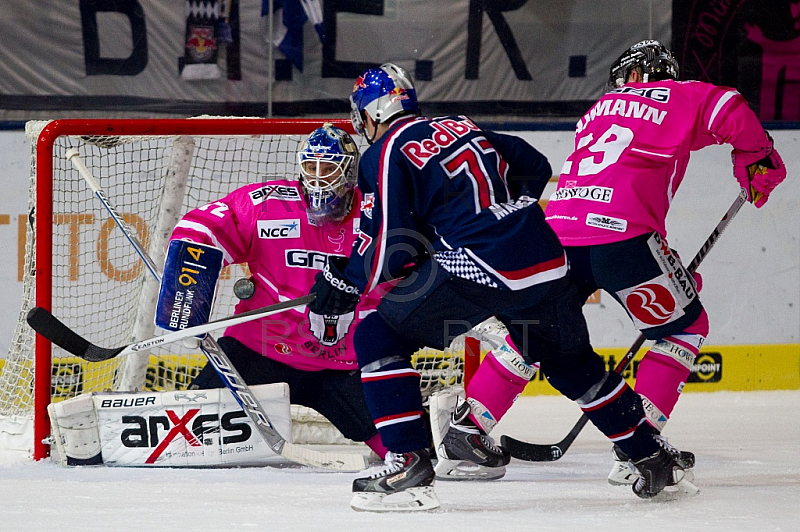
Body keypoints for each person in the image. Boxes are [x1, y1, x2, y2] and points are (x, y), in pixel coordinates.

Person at [308, 63, 694, 512]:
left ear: (369, 114)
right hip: (545, 257)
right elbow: (535, 164)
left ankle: (407, 463)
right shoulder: (462, 124)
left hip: (480, 264)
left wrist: (342, 282)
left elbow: (388, 248)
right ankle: (649, 453)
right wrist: (503, 214)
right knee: (571, 364)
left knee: (378, 335)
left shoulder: (388, 149)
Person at [543, 39, 787, 486]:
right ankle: (640, 443)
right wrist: (756, 155)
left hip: (556, 235)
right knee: (684, 326)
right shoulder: (680, 94)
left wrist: (669, 271)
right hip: (624, 239)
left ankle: (470, 429)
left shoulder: (594, 113)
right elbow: (729, 105)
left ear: (629, 76)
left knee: (535, 330)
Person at [163, 124, 388, 460]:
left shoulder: (377, 214)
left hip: (344, 364)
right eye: (310, 167)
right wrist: (187, 295)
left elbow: (412, 273)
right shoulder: (268, 203)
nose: (317, 178)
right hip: (258, 350)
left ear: (349, 172)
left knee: (407, 448)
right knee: (181, 442)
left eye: (328, 168)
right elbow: (201, 228)